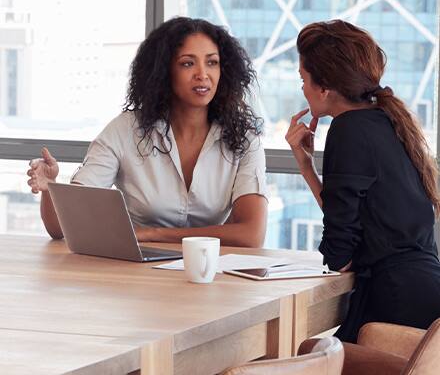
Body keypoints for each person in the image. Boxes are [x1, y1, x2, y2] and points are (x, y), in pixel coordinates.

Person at [27, 17, 268, 247]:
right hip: (135, 272)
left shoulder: (244, 139)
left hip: (209, 273)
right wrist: (50, 188)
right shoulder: (125, 130)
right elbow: (62, 226)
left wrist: (155, 234)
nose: (202, 74)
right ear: (164, 71)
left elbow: (251, 234)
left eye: (212, 62)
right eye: (187, 63)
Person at [286, 19, 440, 343]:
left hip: (394, 308)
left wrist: (309, 169)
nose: (302, 88)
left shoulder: (348, 130)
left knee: (304, 354)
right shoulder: (387, 121)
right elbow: (352, 224)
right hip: (424, 297)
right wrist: (307, 167)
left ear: (324, 87)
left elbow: (340, 257)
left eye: (303, 78)